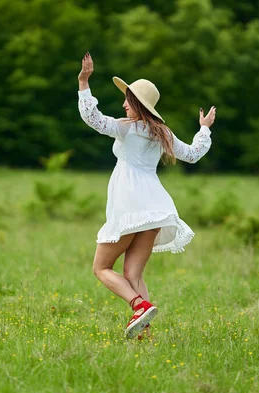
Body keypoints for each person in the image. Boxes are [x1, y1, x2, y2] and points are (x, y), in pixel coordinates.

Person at [77, 52, 216, 339]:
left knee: (101, 267)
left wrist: (84, 83)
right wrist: (204, 130)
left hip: (130, 205)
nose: (124, 103)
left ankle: (138, 305)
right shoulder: (161, 132)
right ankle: (145, 333)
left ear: (138, 104)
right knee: (133, 274)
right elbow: (192, 154)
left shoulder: (126, 129)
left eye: (128, 99)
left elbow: (93, 118)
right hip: (155, 208)